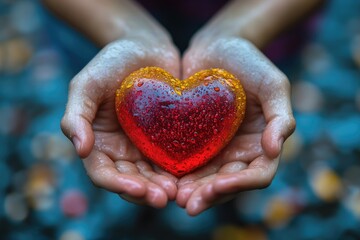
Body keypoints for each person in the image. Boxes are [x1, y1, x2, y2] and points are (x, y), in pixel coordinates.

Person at [42, 0, 321, 216]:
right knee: (96, 106)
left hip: (266, 23)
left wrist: (241, 30)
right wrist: (123, 30)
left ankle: (223, 205)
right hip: (96, 19)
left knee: (257, 99)